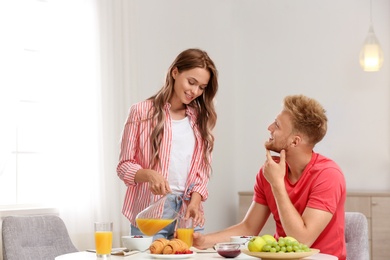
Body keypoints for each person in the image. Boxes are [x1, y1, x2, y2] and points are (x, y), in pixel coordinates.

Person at [193, 95, 347, 260]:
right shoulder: (269, 171)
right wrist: (203, 241)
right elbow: (249, 227)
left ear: (295, 142)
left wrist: (278, 185)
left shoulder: (328, 175)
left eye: (277, 125)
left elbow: (302, 240)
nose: (269, 128)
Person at [117, 48, 219, 240]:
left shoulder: (199, 120)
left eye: (202, 87)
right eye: (191, 82)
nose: (195, 91)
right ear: (175, 72)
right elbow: (124, 166)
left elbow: (202, 173)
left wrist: (195, 204)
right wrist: (149, 175)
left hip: (188, 215)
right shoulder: (141, 112)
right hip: (151, 214)